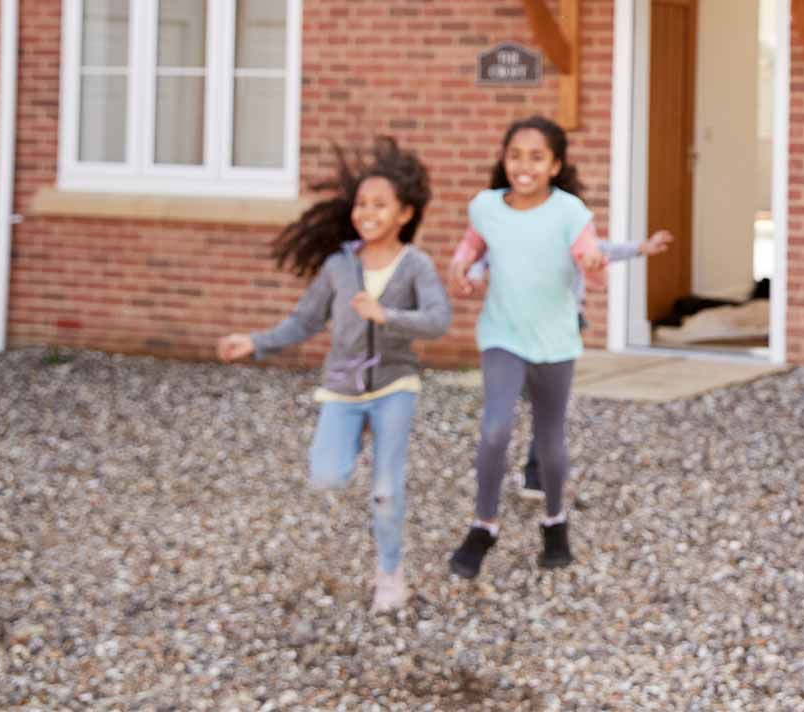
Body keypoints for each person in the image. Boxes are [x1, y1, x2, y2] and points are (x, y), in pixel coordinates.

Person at [216, 138, 452, 614]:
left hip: (394, 385)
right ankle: (356, 432)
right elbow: (305, 321)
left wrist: (387, 315)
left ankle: (389, 573)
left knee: (386, 491)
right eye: (362, 204)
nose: (368, 212)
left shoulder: (416, 265)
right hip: (343, 386)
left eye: (380, 205)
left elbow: (439, 320)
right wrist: (256, 342)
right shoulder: (338, 266)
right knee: (326, 476)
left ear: (404, 214)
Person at [442, 115, 606, 578]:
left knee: (550, 439)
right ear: (504, 160)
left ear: (555, 165)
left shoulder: (571, 212)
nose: (524, 165)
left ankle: (555, 522)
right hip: (502, 335)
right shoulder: (486, 206)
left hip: (555, 341)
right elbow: (471, 248)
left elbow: (589, 262)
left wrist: (592, 262)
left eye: (536, 157)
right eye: (515, 155)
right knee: (495, 429)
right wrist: (461, 269)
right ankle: (483, 525)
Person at [456, 226, 674, 500]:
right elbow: (485, 257)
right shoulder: (514, 233)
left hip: (560, 328)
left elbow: (601, 249)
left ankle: (536, 477)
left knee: (548, 407)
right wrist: (474, 275)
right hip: (517, 328)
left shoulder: (569, 233)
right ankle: (496, 474)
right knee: (513, 402)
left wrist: (641, 248)